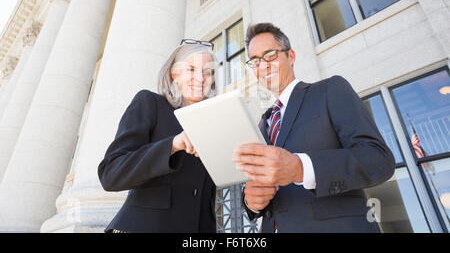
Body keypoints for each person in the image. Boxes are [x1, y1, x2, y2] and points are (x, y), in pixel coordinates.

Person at [233, 23, 395, 233]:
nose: (262, 66)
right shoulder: (262, 123)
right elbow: (259, 188)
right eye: (254, 61)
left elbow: (378, 160)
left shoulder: (329, 90)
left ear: (290, 56)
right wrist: (251, 202)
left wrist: (302, 168)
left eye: (270, 55)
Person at [98, 40, 218, 233]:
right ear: (175, 74)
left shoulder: (213, 126)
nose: (201, 78)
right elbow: (110, 174)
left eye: (207, 71)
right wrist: (172, 145)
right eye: (191, 69)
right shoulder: (150, 104)